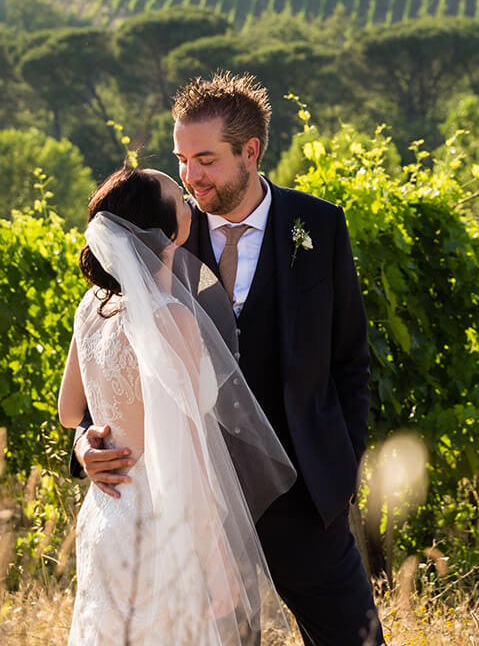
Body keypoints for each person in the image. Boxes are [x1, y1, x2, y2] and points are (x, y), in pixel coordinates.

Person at [72, 72, 385, 646]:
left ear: (251, 151)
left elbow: (350, 363)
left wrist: (342, 469)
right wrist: (85, 444)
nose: (190, 176)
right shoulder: (159, 232)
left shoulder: (318, 225)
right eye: (183, 159)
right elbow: (106, 358)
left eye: (206, 159)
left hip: (307, 500)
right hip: (193, 509)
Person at [59, 166, 297, 646]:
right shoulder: (172, 319)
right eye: (178, 196)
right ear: (163, 230)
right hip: (165, 525)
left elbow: (69, 411)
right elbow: (188, 454)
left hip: (108, 515)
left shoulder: (92, 305)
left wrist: (89, 441)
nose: (189, 198)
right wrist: (217, 564)